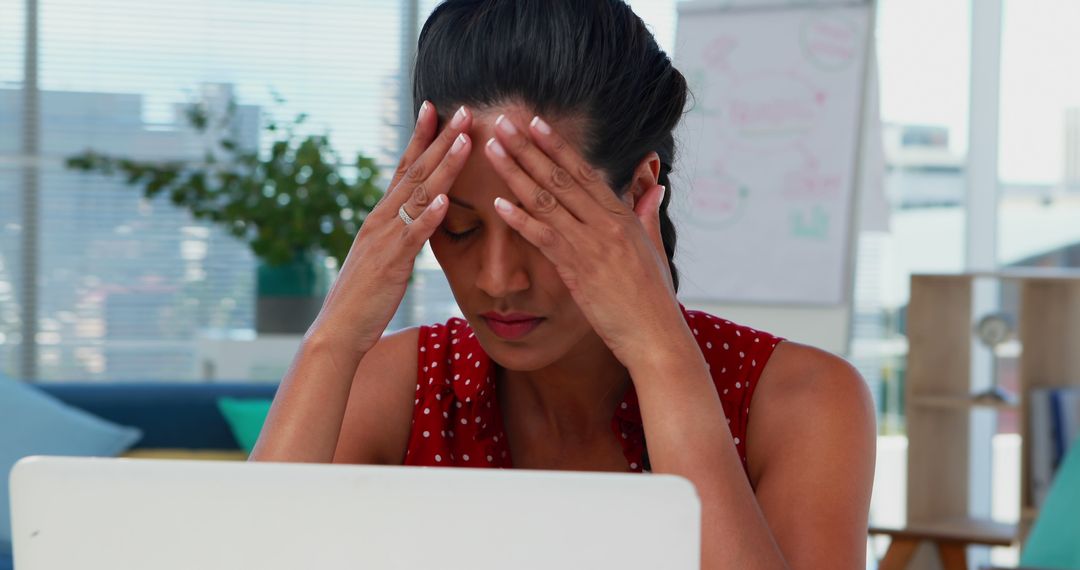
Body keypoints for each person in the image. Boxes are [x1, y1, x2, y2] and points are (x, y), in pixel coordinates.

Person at [250, 1, 876, 568]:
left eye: (539, 227)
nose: (499, 281)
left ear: (636, 192)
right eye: (461, 231)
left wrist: (663, 358)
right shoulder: (399, 387)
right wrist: (334, 336)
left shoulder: (802, 402)